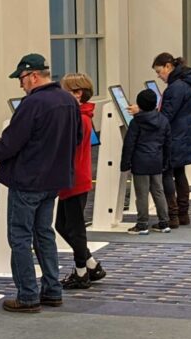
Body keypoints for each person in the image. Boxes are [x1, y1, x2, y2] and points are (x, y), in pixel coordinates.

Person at [0, 53, 81, 312]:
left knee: (20, 237)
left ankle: (28, 296)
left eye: (21, 78)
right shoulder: (68, 100)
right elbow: (77, 138)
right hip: (54, 181)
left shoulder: (32, 104)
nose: (20, 84)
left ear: (33, 75)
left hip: (28, 182)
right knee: (44, 234)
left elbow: (11, 142)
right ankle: (52, 291)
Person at [56, 72, 106, 290]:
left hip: (75, 179)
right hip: (73, 178)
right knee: (62, 225)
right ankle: (91, 265)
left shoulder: (81, 119)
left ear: (77, 94)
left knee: (74, 228)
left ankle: (81, 272)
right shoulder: (81, 116)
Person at [152, 53, 191, 227]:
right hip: (185, 133)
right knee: (180, 173)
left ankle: (172, 215)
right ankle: (183, 213)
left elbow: (167, 115)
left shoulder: (175, 88)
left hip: (174, 137)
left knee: (167, 173)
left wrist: (146, 114)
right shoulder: (188, 82)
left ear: (168, 66)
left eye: (160, 71)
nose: (159, 76)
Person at [122, 89, 173, 234]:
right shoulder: (163, 120)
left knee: (142, 194)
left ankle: (142, 224)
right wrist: (166, 161)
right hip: (157, 160)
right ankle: (164, 222)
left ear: (139, 104)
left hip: (140, 162)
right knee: (158, 191)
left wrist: (125, 163)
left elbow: (129, 144)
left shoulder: (136, 121)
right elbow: (168, 143)